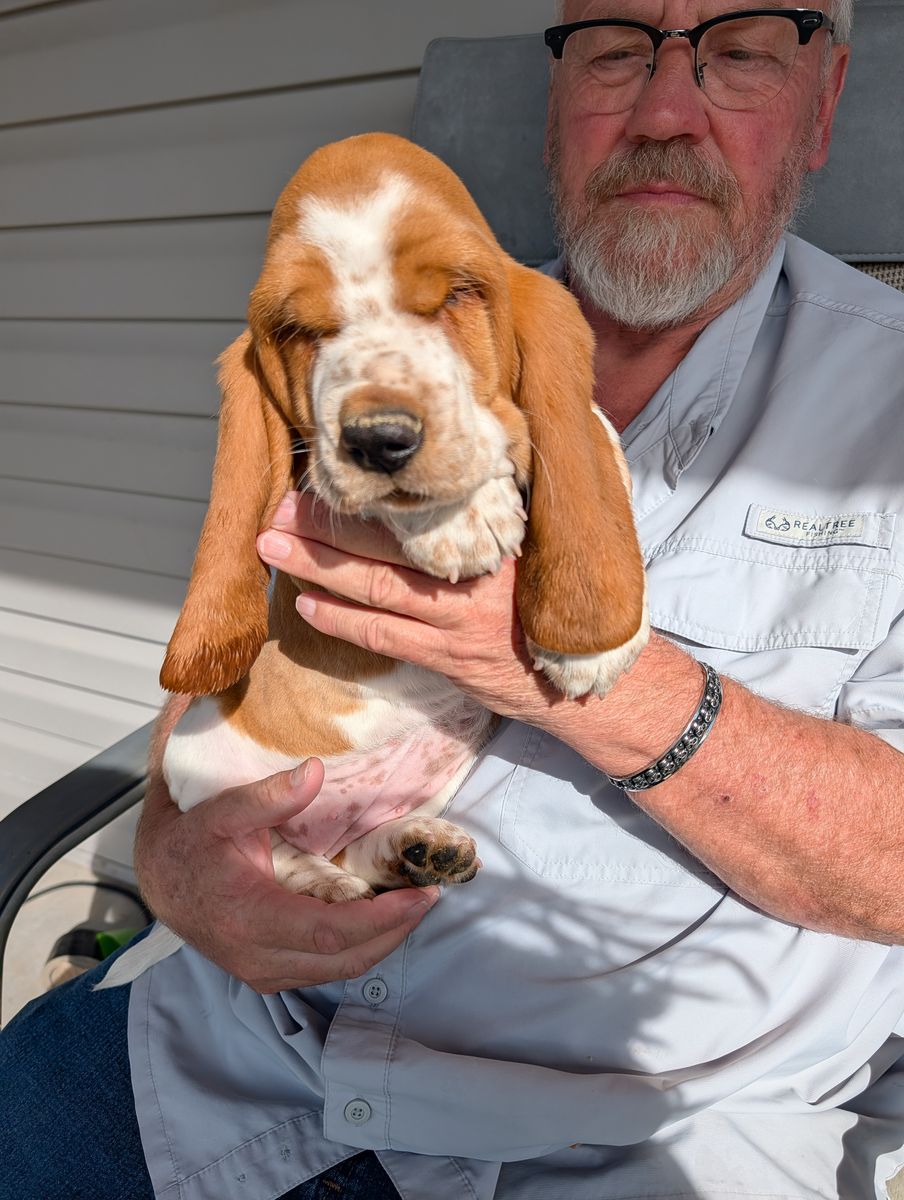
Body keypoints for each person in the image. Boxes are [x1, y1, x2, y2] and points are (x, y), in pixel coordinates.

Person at [4, 2, 904, 1197]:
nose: (664, 111)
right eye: (617, 48)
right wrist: (175, 861)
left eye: (738, 50)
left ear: (824, 102)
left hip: (616, 1146)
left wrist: (571, 670)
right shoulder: (382, 322)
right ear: (557, 103)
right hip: (226, 1062)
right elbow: (246, 638)